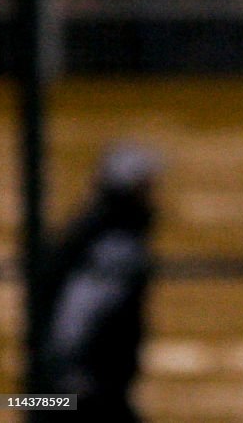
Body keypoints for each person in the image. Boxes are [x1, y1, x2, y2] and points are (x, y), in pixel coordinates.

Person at [39, 142, 161, 422]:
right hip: (88, 391)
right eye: (147, 185)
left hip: (76, 390)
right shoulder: (115, 244)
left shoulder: (91, 230)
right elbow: (78, 311)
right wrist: (76, 380)